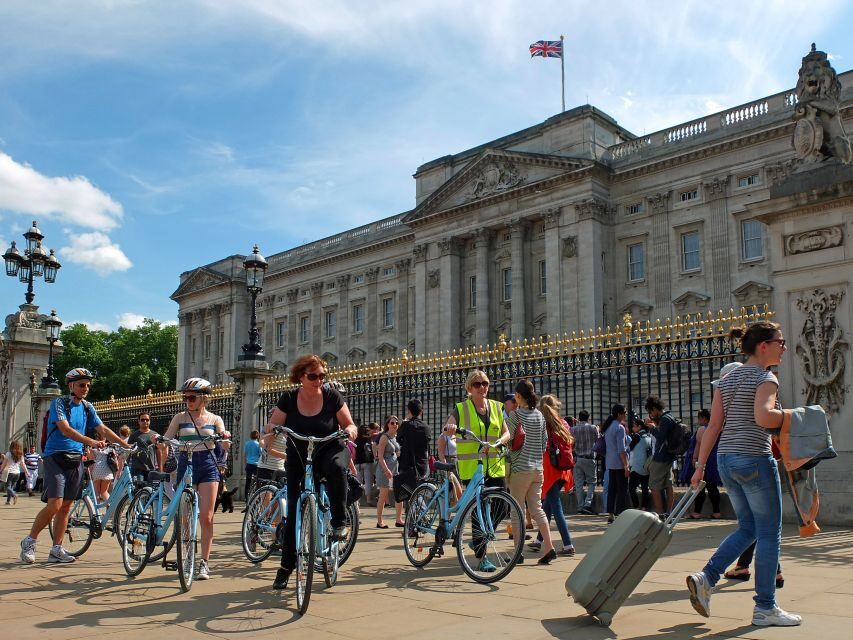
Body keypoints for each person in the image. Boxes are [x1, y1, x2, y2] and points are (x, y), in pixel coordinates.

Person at [687, 322, 802, 627]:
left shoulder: (728, 378)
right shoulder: (766, 378)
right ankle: (765, 607)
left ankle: (706, 577)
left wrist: (699, 467)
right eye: (780, 341)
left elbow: (713, 426)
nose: (784, 346)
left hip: (726, 460)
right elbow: (763, 417)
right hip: (754, 459)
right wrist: (794, 415)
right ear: (763, 345)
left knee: (749, 527)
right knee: (769, 533)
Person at [265, 355, 357, 591]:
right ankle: (286, 568)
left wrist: (349, 431)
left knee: (337, 468)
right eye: (313, 376)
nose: (319, 381)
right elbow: (271, 426)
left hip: (328, 448)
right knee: (295, 508)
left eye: (322, 376)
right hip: (298, 452)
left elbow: (349, 424)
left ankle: (339, 521)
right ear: (300, 377)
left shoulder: (332, 396)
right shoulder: (288, 398)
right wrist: (270, 432)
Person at [20, 368, 125, 564]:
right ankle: (29, 541)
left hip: (76, 458)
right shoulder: (58, 403)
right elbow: (65, 429)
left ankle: (56, 549)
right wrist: (91, 442)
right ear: (71, 386)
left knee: (66, 507)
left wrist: (127, 445)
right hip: (56, 457)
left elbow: (102, 428)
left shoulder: (87, 407)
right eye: (81, 385)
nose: (86, 388)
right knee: (56, 504)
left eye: (87, 385)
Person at [161, 377, 230, 581]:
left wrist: (225, 439)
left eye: (192, 397)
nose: (188, 401)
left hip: (208, 464)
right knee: (185, 516)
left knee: (206, 517)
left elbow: (224, 441)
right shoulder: (180, 418)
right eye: (186, 398)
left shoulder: (215, 419)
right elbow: (167, 438)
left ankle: (204, 563)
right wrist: (161, 445)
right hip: (185, 462)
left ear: (204, 398)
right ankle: (187, 553)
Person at [443, 369, 511, 573]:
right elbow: (449, 424)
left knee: (504, 506)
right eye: (477, 384)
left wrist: (500, 441)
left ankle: (477, 540)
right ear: (469, 388)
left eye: (485, 383)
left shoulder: (497, 407)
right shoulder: (461, 408)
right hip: (472, 467)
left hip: (495, 465)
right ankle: (481, 558)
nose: (482, 387)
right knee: (478, 511)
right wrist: (451, 428)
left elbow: (507, 432)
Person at [506, 380, 556, 564]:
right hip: (537, 469)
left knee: (517, 509)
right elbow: (544, 444)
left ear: (518, 396)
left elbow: (508, 439)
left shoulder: (515, 416)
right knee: (537, 509)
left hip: (520, 468)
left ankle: (517, 553)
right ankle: (549, 546)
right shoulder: (540, 416)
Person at [529, 394, 575, 556]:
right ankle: (539, 541)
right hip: (563, 469)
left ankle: (568, 544)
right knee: (547, 505)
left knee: (555, 506)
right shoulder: (563, 423)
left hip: (549, 469)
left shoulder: (542, 424)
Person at [683, 408, 722, 519]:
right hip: (714, 460)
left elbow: (699, 446)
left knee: (699, 487)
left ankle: (697, 512)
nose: (698, 421)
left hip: (703, 460)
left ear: (704, 418)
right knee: (712, 487)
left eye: (699, 418)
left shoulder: (702, 429)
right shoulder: (719, 428)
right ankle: (716, 511)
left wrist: (695, 459)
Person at [645, 395, 677, 516]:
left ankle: (661, 513)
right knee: (669, 485)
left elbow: (660, 437)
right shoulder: (670, 417)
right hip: (668, 456)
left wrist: (652, 428)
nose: (651, 415)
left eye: (650, 411)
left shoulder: (664, 419)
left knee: (654, 486)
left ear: (655, 408)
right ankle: (669, 513)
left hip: (661, 457)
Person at [602, 404, 630, 523]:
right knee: (622, 489)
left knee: (612, 489)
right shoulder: (620, 427)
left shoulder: (608, 426)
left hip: (609, 462)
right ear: (619, 414)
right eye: (624, 413)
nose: (625, 415)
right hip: (619, 463)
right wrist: (626, 465)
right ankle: (620, 514)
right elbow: (621, 450)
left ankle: (610, 514)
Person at [375, 415, 403, 528]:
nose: (395, 425)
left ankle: (399, 519)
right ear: (387, 425)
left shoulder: (395, 437)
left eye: (396, 423)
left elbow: (397, 452)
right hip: (384, 469)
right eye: (392, 423)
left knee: (399, 495)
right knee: (383, 495)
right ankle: (379, 521)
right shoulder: (384, 437)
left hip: (395, 468)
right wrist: (386, 470)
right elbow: (380, 456)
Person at [570, 410, 597, 515]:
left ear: (579, 417)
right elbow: (597, 440)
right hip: (589, 458)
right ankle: (587, 504)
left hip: (577, 458)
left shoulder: (573, 429)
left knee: (579, 484)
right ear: (588, 418)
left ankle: (580, 506)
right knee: (592, 482)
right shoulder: (593, 428)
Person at [397, 398, 431, 480]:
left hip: (407, 463)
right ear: (421, 411)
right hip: (422, 464)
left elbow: (398, 439)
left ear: (408, 411)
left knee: (405, 490)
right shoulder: (426, 427)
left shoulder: (406, 425)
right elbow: (428, 442)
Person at [628, 415, 652, 510]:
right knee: (645, 489)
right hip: (646, 467)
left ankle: (636, 505)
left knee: (631, 488)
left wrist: (629, 465)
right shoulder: (649, 436)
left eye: (634, 426)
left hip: (636, 467)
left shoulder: (636, 437)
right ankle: (644, 507)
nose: (633, 428)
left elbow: (630, 449)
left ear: (639, 427)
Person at [127, 412, 159, 483]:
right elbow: (128, 450)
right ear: (138, 421)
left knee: (150, 491)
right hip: (137, 468)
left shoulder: (155, 435)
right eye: (142, 420)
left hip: (150, 468)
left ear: (150, 421)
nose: (145, 421)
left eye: (147, 420)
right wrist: (124, 465)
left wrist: (160, 467)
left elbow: (158, 451)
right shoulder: (134, 435)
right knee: (138, 490)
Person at [354, 424, 376, 506]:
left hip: (358, 463)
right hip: (368, 462)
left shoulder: (356, 440)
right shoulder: (369, 440)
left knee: (358, 483)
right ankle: (368, 500)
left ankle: (357, 502)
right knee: (368, 482)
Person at [2, 441, 29, 505]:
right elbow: (23, 464)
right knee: (11, 487)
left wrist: (1, 470)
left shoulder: (8, 454)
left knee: (7, 487)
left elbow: (4, 463)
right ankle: (8, 501)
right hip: (17, 473)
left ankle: (14, 495)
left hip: (10, 472)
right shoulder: (21, 454)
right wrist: (26, 471)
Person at [244, 430, 261, 500]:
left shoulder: (247, 444)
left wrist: (246, 464)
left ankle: (246, 497)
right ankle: (256, 497)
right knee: (257, 481)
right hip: (256, 465)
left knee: (248, 481)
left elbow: (244, 455)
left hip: (249, 464)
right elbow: (261, 454)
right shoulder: (258, 444)